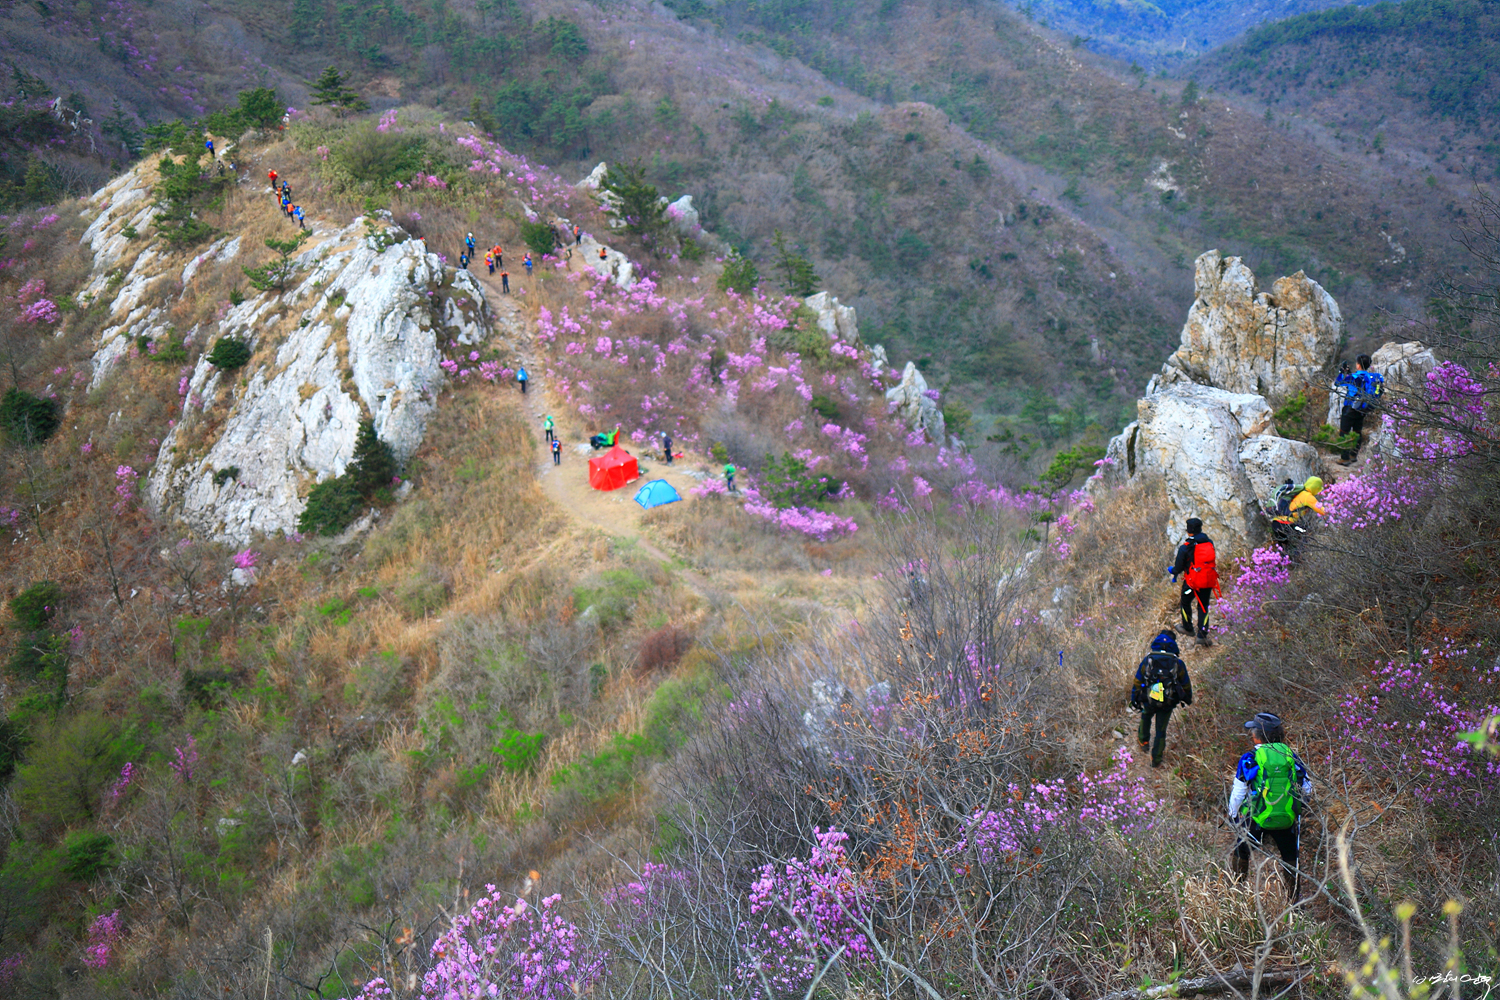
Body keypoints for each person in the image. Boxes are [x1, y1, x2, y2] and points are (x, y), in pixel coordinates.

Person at [1229, 712, 1313, 901]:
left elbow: (1239, 792)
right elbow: (1307, 788)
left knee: (1241, 850)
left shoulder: (1250, 758)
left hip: (1256, 817)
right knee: (1290, 857)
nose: (1251, 733)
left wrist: (1233, 815)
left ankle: (1235, 894)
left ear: (1258, 735)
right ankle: (1294, 902)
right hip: (1286, 818)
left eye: (1253, 730)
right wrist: (1298, 805)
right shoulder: (1290, 756)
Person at [1131, 629, 1192, 768]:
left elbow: (1138, 680)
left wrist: (1135, 697)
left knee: (1146, 715)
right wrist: (1188, 698)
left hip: (1149, 698)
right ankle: (1156, 758)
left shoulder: (1148, 659)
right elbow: (1185, 684)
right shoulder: (1177, 663)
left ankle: (1143, 741)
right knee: (1161, 730)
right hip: (1168, 702)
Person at [1171, 517, 1217, 646]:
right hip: (1207, 580)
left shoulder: (1185, 547)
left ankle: (1188, 628)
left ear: (1188, 531)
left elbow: (1178, 568)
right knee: (1203, 606)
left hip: (1191, 583)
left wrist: (1172, 570)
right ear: (1200, 529)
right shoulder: (1209, 543)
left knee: (1185, 602)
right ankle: (1202, 636)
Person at [1333, 355, 1384, 465]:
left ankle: (1345, 458)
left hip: (1350, 408)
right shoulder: (1372, 377)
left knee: (1344, 432)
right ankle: (1353, 455)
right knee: (1357, 431)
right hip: (1362, 409)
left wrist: (1342, 372)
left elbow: (1338, 383)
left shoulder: (1353, 377)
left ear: (1358, 365)